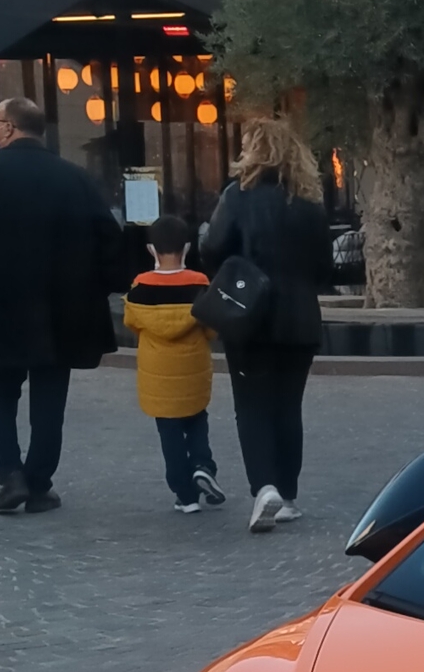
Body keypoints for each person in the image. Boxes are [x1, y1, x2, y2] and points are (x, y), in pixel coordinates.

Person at [0, 93, 129, 514]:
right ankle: (39, 479)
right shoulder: (76, 178)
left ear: (9, 127)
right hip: (65, 308)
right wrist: (93, 290)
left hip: (1, 302)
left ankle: (10, 472)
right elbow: (109, 242)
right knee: (50, 395)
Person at [202, 117, 333, 529]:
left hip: (250, 316)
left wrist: (207, 232)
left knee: (252, 405)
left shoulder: (238, 197)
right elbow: (325, 266)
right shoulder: (310, 203)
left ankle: (265, 488)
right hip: (300, 317)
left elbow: (213, 247)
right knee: (288, 406)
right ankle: (289, 494)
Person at [123, 213, 226, 513]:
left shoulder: (141, 285)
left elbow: (132, 322)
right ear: (188, 248)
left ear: (151, 251)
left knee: (168, 432)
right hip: (192, 371)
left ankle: (185, 494)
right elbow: (211, 328)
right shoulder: (199, 283)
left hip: (158, 376)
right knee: (196, 420)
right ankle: (203, 465)